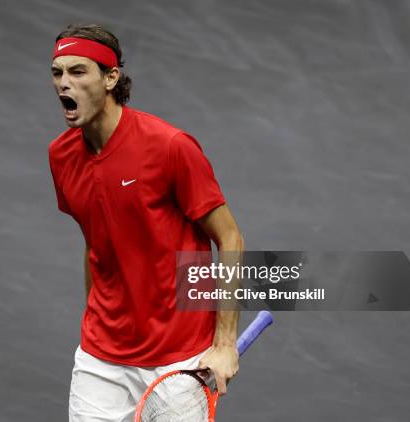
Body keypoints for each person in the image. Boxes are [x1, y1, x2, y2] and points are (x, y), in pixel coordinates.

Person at [48, 23, 244, 421]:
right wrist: (97, 320)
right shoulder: (61, 156)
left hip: (178, 358)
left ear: (110, 78)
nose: (63, 84)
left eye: (78, 71)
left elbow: (230, 238)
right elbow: (95, 240)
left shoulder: (170, 147)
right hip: (101, 358)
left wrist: (224, 343)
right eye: (57, 73)